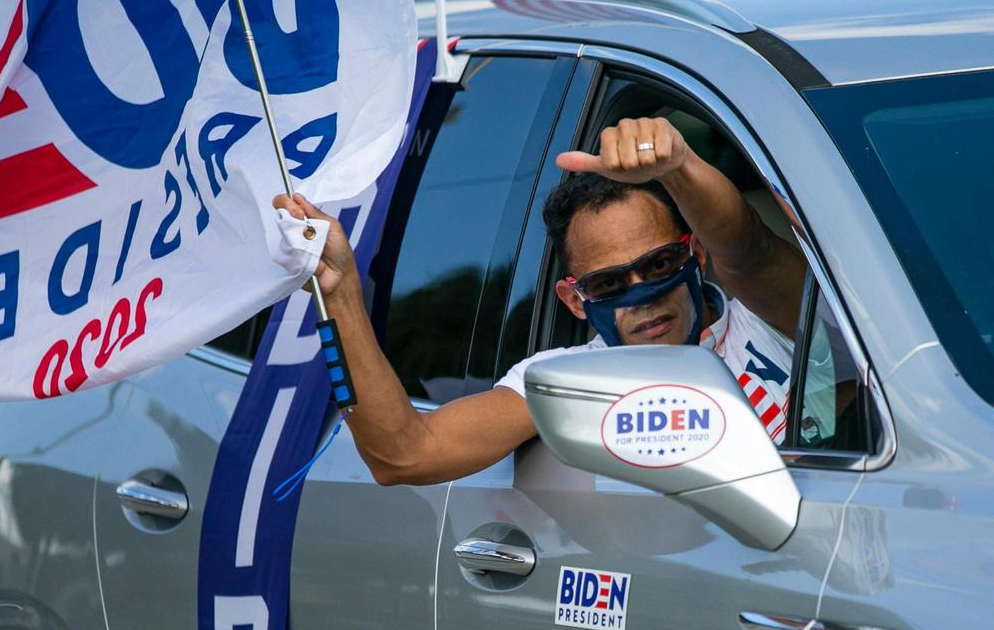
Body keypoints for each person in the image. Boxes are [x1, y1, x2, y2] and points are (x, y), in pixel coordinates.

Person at [273, 117, 806, 486]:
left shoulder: (773, 320)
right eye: (608, 285)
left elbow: (750, 249)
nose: (642, 295)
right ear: (575, 302)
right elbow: (406, 455)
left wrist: (679, 166)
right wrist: (339, 293)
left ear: (699, 258)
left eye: (661, 266)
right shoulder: (566, 380)